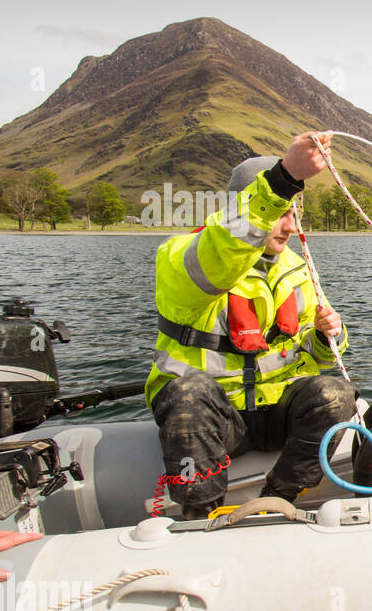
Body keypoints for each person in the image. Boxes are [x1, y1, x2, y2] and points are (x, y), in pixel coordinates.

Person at [146, 131, 357, 519]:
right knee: (188, 394)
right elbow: (223, 251)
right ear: (239, 210)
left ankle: (279, 498)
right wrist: (283, 179)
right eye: (280, 212)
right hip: (218, 417)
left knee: (335, 393)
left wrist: (330, 337)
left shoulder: (297, 269)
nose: (288, 227)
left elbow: (315, 354)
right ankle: (199, 514)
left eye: (293, 213)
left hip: (274, 410)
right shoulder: (183, 257)